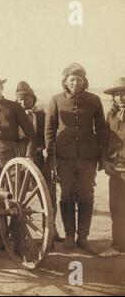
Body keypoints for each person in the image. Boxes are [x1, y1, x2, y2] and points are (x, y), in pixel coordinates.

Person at [45, 63, 106, 255]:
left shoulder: (94, 100)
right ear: (65, 81)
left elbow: (101, 129)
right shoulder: (55, 100)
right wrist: (51, 154)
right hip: (64, 157)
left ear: (84, 81)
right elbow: (49, 129)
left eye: (79, 79)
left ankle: (83, 237)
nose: (75, 82)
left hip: (88, 157)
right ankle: (70, 235)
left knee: (86, 195)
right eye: (71, 79)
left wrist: (102, 155)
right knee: (67, 194)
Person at [0, 73, 37, 251]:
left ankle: (18, 240)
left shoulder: (14, 107)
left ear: (1, 88)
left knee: (15, 200)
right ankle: (1, 239)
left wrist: (29, 156)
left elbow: (31, 135)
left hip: (12, 157)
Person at [15, 81, 63, 242]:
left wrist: (43, 148)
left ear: (33, 99)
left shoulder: (42, 116)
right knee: (15, 196)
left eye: (26, 99)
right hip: (19, 158)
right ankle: (15, 231)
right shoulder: (15, 116)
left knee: (47, 194)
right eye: (20, 100)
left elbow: (48, 134)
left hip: (40, 159)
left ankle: (50, 228)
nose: (23, 102)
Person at [100, 78, 125, 257]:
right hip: (116, 170)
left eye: (124, 94)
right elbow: (103, 142)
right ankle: (118, 246)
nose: (121, 98)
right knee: (117, 209)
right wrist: (105, 162)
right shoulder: (110, 116)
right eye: (117, 95)